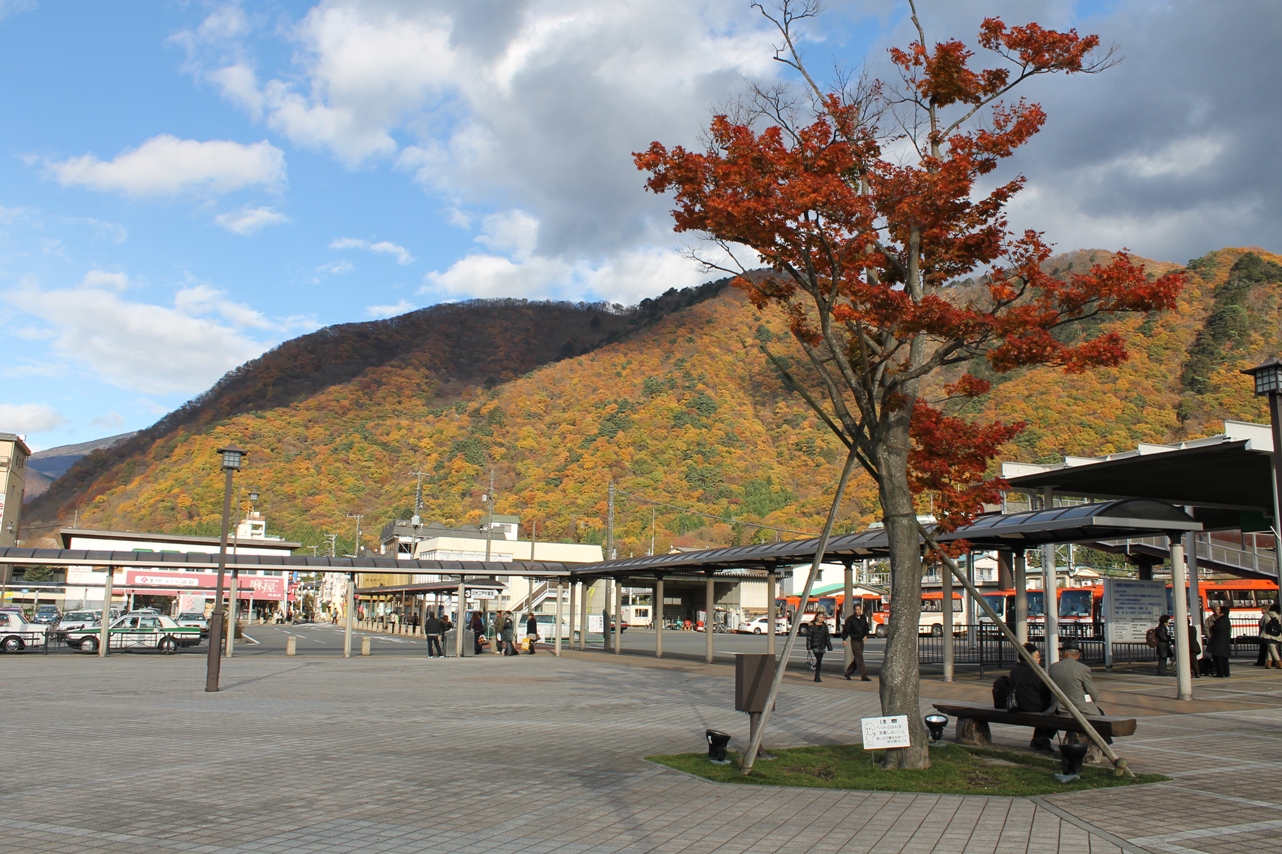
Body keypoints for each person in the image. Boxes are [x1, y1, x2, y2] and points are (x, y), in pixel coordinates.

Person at [1009, 642, 1057, 753]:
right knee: (1054, 709)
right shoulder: (1035, 671)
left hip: (1017, 705)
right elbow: (1045, 690)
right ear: (1029, 657)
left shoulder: (1014, 670)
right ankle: (1042, 738)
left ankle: (1039, 738)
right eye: (1037, 657)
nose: (1039, 659)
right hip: (1031, 706)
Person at [1049, 644, 1103, 717]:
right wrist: (1089, 701)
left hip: (1057, 708)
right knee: (1099, 712)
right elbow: (1092, 692)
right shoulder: (1083, 668)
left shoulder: (1053, 667)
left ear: (1065, 653)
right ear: (1078, 655)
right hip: (1080, 709)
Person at [841, 604, 871, 681]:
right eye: (857, 609)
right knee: (859, 658)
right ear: (854, 610)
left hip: (861, 640)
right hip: (854, 640)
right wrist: (844, 639)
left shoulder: (863, 618)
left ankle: (847, 673)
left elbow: (866, 627)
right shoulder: (851, 619)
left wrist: (866, 635)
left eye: (859, 609)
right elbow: (846, 629)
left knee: (857, 659)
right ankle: (864, 676)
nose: (858, 611)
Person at [1209, 604, 1233, 677]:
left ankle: (1220, 673)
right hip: (1225, 641)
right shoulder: (1227, 620)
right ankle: (1226, 672)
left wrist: (1213, 626)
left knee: (1218, 658)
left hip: (1219, 641)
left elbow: (1215, 629)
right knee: (1225, 658)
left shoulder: (1220, 620)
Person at [1262, 603, 1282, 669]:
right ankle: (1268, 663)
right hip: (1276, 634)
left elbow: (1261, 623)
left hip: (1268, 634)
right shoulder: (1279, 615)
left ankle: (1279, 663)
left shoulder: (1266, 614)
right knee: (1271, 648)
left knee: (1272, 648)